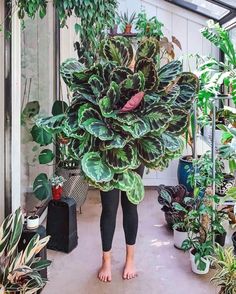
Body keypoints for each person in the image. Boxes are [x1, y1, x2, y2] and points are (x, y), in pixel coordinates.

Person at [98, 165, 144, 282]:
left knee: (130, 207)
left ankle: (130, 259)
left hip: (135, 150)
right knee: (109, 209)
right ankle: (106, 260)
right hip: (107, 153)